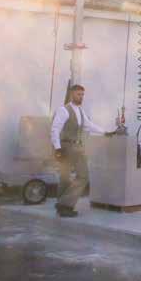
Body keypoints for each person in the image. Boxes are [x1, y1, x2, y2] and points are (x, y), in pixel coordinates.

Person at [50, 84, 113, 218]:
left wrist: (105, 132)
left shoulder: (80, 111)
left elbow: (89, 125)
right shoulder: (64, 110)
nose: (81, 97)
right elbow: (55, 129)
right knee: (70, 177)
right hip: (66, 146)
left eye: (82, 94)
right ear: (72, 94)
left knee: (78, 176)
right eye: (79, 94)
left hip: (77, 146)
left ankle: (62, 204)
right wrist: (57, 148)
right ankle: (64, 206)